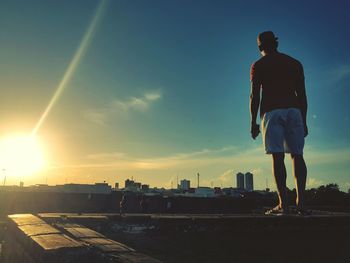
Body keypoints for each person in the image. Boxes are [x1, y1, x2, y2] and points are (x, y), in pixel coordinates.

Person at [250, 31, 308, 215]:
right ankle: (301, 202)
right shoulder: (294, 63)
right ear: (276, 43)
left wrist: (253, 122)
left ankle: (284, 204)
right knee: (297, 155)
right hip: (294, 110)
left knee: (277, 156)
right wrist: (304, 120)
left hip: (272, 111)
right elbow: (303, 95)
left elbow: (254, 96)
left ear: (260, 47)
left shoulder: (258, 65)